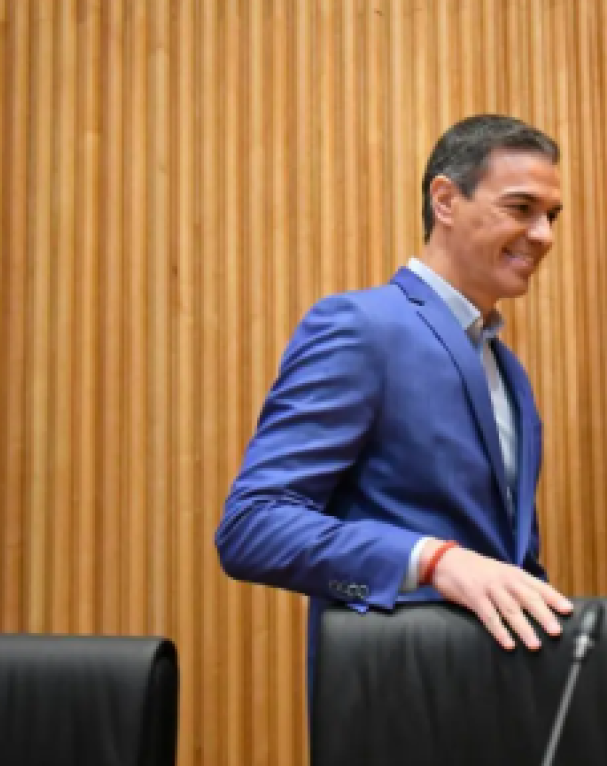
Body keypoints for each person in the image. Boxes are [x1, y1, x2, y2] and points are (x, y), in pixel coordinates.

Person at [215, 113, 573, 659]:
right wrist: (435, 560)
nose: (544, 235)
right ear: (446, 201)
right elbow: (253, 526)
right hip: (391, 696)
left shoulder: (508, 370)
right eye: (521, 209)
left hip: (499, 699)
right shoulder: (360, 327)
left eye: (551, 216)